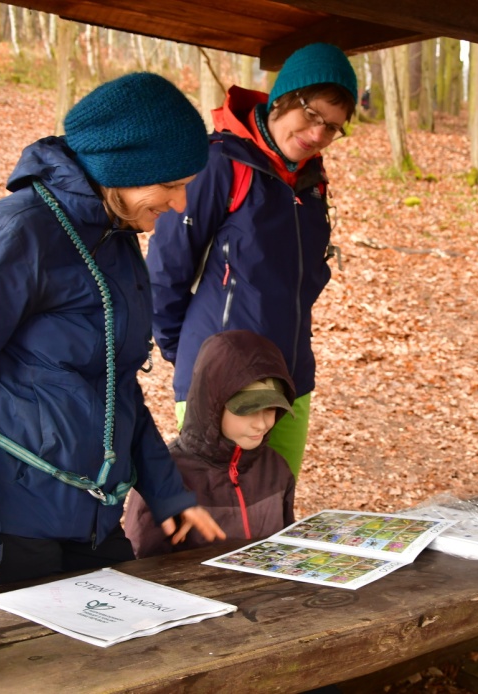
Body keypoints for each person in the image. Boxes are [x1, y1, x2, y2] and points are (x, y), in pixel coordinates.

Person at [0, 72, 226, 600]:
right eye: (172, 185)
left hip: (91, 521)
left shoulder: (115, 241)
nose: (181, 204)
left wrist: (167, 493)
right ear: (125, 170)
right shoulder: (15, 232)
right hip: (7, 533)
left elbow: (115, 386)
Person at [146, 43, 358, 480]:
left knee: (275, 513)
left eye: (333, 127)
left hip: (291, 379)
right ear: (283, 98)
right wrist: (191, 356)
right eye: (313, 115)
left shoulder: (311, 183)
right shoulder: (220, 163)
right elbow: (165, 272)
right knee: (218, 523)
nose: (319, 134)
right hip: (225, 382)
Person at [124, 330, 297, 557]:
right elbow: (141, 569)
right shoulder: (165, 478)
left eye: (272, 409)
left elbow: (286, 547)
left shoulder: (276, 470)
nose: (261, 424)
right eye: (248, 410)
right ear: (213, 405)